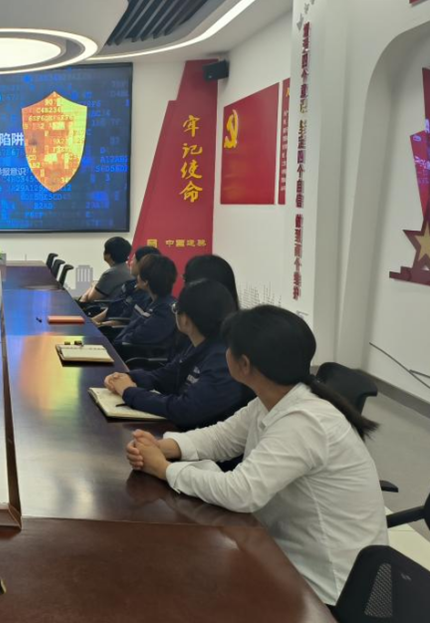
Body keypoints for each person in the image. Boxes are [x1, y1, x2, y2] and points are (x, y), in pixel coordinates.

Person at [125, 306, 387, 605]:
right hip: (283, 552)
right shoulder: (275, 399)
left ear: (244, 364)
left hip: (326, 586)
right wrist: (163, 447)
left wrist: (164, 470)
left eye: (228, 348)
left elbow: (241, 493)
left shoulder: (305, 422)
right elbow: (222, 437)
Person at [103, 280, 252, 428]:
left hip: (196, 436)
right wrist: (129, 377)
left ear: (186, 319)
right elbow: (165, 376)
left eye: (175, 308)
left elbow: (184, 409)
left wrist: (129, 392)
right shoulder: (197, 344)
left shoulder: (222, 360)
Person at [113, 254, 178, 348]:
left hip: (131, 353)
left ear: (145, 282)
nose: (137, 278)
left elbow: (137, 337)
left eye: (139, 274)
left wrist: (118, 342)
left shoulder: (165, 310)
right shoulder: (147, 300)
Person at [92, 245, 160, 325]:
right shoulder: (129, 284)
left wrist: (99, 325)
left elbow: (124, 321)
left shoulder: (147, 294)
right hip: (105, 324)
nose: (130, 263)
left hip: (113, 329)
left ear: (142, 264)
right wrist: (92, 321)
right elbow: (112, 307)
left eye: (133, 260)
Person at [78, 237, 133, 304]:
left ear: (108, 255)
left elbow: (91, 298)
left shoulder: (111, 274)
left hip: (104, 308)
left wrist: (93, 285)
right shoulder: (127, 269)